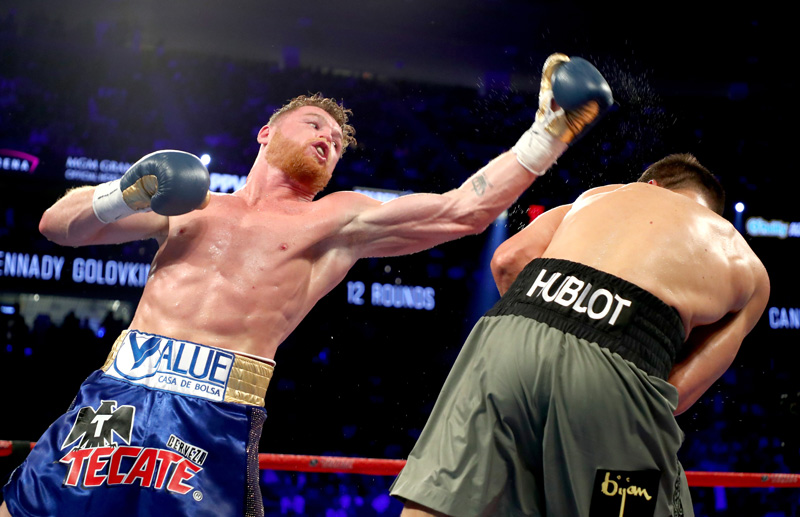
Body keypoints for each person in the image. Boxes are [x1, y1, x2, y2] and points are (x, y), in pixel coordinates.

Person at [1, 52, 613, 517]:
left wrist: (548, 135)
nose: (328, 140)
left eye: (338, 144)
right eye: (315, 125)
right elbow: (58, 227)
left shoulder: (335, 220)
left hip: (212, 415)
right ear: (266, 133)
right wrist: (125, 191)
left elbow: (462, 211)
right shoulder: (191, 203)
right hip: (117, 394)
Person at [390, 153, 770, 516]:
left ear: (650, 185)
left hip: (506, 335)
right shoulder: (745, 264)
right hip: (616, 372)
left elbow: (507, 261)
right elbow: (676, 395)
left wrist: (552, 315)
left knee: (437, 506)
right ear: (716, 217)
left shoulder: (598, 196)